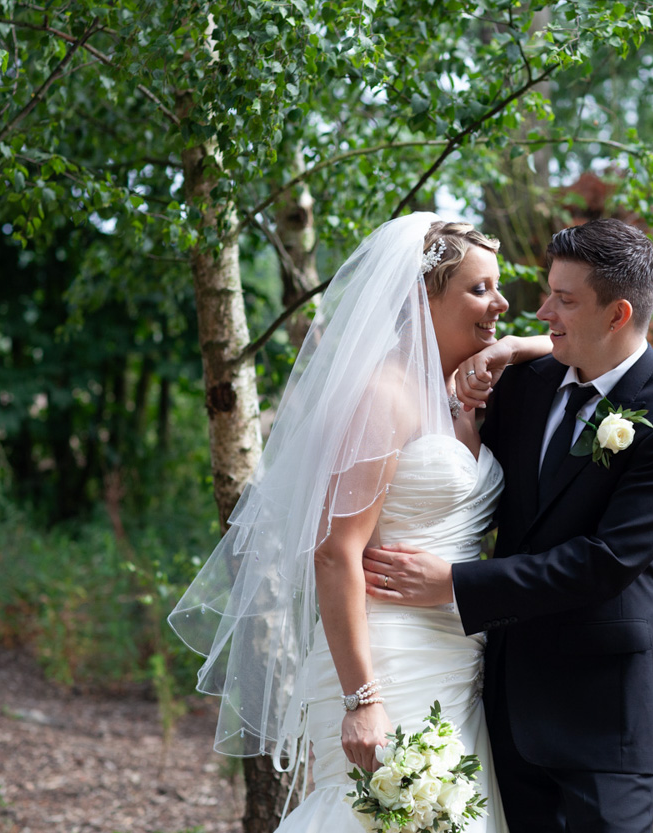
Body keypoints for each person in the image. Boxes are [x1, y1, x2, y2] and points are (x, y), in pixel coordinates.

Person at [168, 213, 551, 832]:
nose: (502, 303)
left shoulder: (460, 392)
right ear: (421, 296)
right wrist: (362, 701)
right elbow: (333, 552)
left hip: (459, 659)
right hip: (386, 660)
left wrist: (510, 346)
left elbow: (576, 345)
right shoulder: (383, 396)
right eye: (480, 289)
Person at [363, 218, 653, 833]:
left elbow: (604, 562)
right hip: (495, 701)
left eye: (565, 299)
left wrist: (455, 582)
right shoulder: (524, 386)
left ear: (618, 314)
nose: (542, 309)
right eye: (548, 291)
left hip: (599, 717)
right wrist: (516, 348)